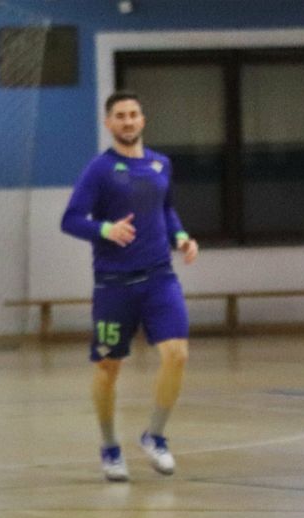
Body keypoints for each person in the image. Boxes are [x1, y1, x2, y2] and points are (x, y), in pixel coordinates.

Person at [60, 90, 198, 482]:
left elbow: (166, 209)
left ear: (143, 120)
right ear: (108, 123)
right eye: (119, 116)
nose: (127, 121)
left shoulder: (160, 164)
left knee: (177, 355)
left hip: (159, 278)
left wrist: (182, 237)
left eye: (134, 114)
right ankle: (109, 446)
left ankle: (155, 436)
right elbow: (71, 219)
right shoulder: (99, 170)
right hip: (114, 284)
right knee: (108, 366)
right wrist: (105, 228)